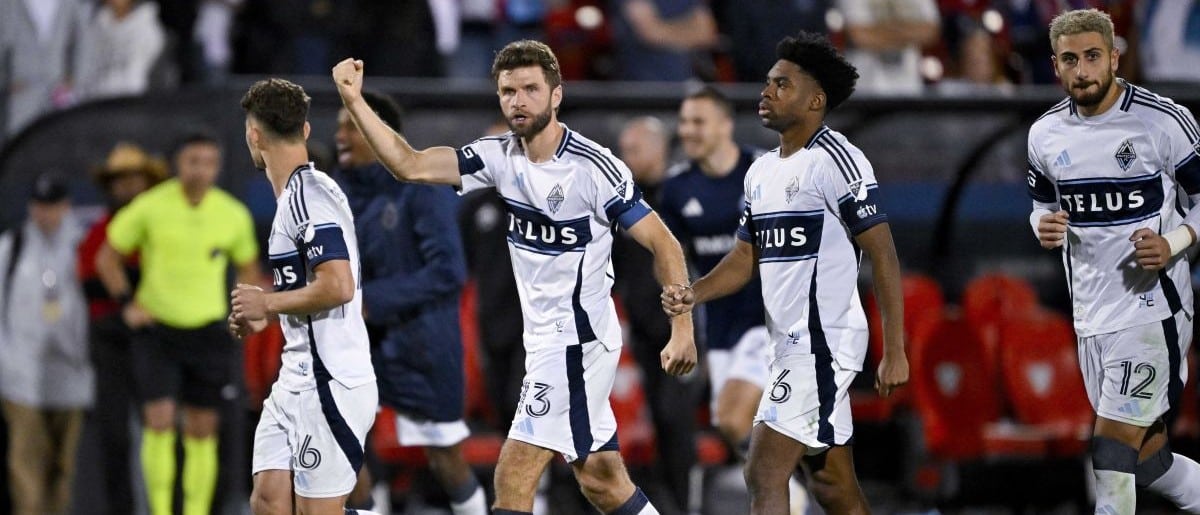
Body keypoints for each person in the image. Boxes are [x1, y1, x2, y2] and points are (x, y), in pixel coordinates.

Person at [333, 39, 697, 515]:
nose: (518, 101)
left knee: (513, 477)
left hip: (577, 344)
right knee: (603, 479)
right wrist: (355, 101)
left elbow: (664, 243)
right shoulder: (497, 157)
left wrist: (683, 329)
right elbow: (410, 164)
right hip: (546, 344)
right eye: (508, 91)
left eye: (530, 89)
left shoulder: (593, 168)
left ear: (556, 95)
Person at [663, 32, 908, 514]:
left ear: (815, 100)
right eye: (767, 83)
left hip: (823, 341)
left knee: (763, 468)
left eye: (782, 85)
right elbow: (744, 258)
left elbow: (884, 255)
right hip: (786, 344)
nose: (766, 92)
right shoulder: (761, 172)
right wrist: (695, 293)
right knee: (832, 484)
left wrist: (895, 349)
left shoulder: (838, 160)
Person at [1027, 9, 1200, 513]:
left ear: (1115, 58)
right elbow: (1040, 209)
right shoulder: (1044, 136)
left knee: (1110, 451)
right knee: (1148, 462)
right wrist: (1041, 226)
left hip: (1153, 311)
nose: (1083, 70)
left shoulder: (1162, 121)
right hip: (1091, 318)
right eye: (1070, 60)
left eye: (1093, 57)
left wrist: (1175, 242)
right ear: (1056, 67)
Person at [231, 77, 381, 515]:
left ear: (253, 136)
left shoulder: (307, 198)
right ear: (307, 131)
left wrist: (268, 303)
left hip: (330, 381)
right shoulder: (300, 195)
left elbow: (338, 285)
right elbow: (312, 287)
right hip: (295, 378)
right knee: (268, 501)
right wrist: (269, 313)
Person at [334, 89, 486, 514]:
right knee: (344, 454)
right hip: (359, 347)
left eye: (353, 127)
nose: (341, 135)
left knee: (445, 459)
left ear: (381, 133)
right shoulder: (336, 191)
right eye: (340, 126)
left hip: (422, 344)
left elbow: (449, 272)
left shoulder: (421, 186)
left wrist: (371, 300)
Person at [95, 132, 259, 515]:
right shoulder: (150, 206)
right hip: (158, 332)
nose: (201, 170)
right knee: (159, 421)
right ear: (176, 165)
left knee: (202, 430)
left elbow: (249, 267)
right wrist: (127, 304)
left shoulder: (231, 214)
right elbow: (108, 257)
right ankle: (161, 510)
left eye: (209, 162)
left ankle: (196, 511)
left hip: (208, 332)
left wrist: (244, 308)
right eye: (193, 161)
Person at [613, 115, 699, 514]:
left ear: (659, 148)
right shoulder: (624, 203)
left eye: (634, 149)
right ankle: (668, 503)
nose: (626, 159)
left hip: (684, 326)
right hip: (646, 328)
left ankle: (685, 505)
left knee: (676, 420)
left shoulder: (684, 195)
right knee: (659, 424)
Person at [77, 142, 167, 515]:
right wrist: (131, 296)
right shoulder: (101, 229)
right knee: (115, 434)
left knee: (162, 432)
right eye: (120, 181)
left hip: (157, 339)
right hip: (111, 339)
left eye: (135, 179)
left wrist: (122, 283)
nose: (128, 187)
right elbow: (88, 281)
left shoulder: (161, 225)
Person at [0, 173, 91, 515]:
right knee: (25, 467)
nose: (46, 214)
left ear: (66, 207)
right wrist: (5, 364)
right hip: (21, 379)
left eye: (53, 206)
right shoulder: (12, 247)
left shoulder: (82, 247)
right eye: (40, 206)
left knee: (64, 468)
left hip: (72, 376)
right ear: (31, 207)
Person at [836, 0, 939, 94]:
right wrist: (908, 32)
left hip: (911, 85)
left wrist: (880, 32)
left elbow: (931, 31)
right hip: (865, 87)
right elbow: (860, 36)